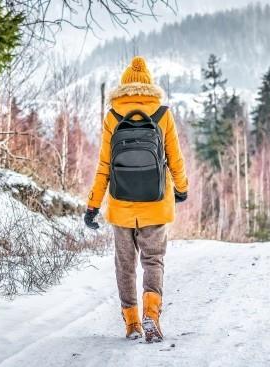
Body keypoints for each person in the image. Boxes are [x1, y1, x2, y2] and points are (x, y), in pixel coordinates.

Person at [83, 56, 188, 342]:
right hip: (155, 202)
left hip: (121, 204)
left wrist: (93, 205)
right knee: (154, 261)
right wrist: (181, 188)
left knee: (125, 264)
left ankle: (131, 323)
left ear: (124, 85)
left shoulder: (112, 115)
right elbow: (175, 158)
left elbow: (104, 166)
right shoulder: (163, 113)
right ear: (150, 84)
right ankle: (151, 315)